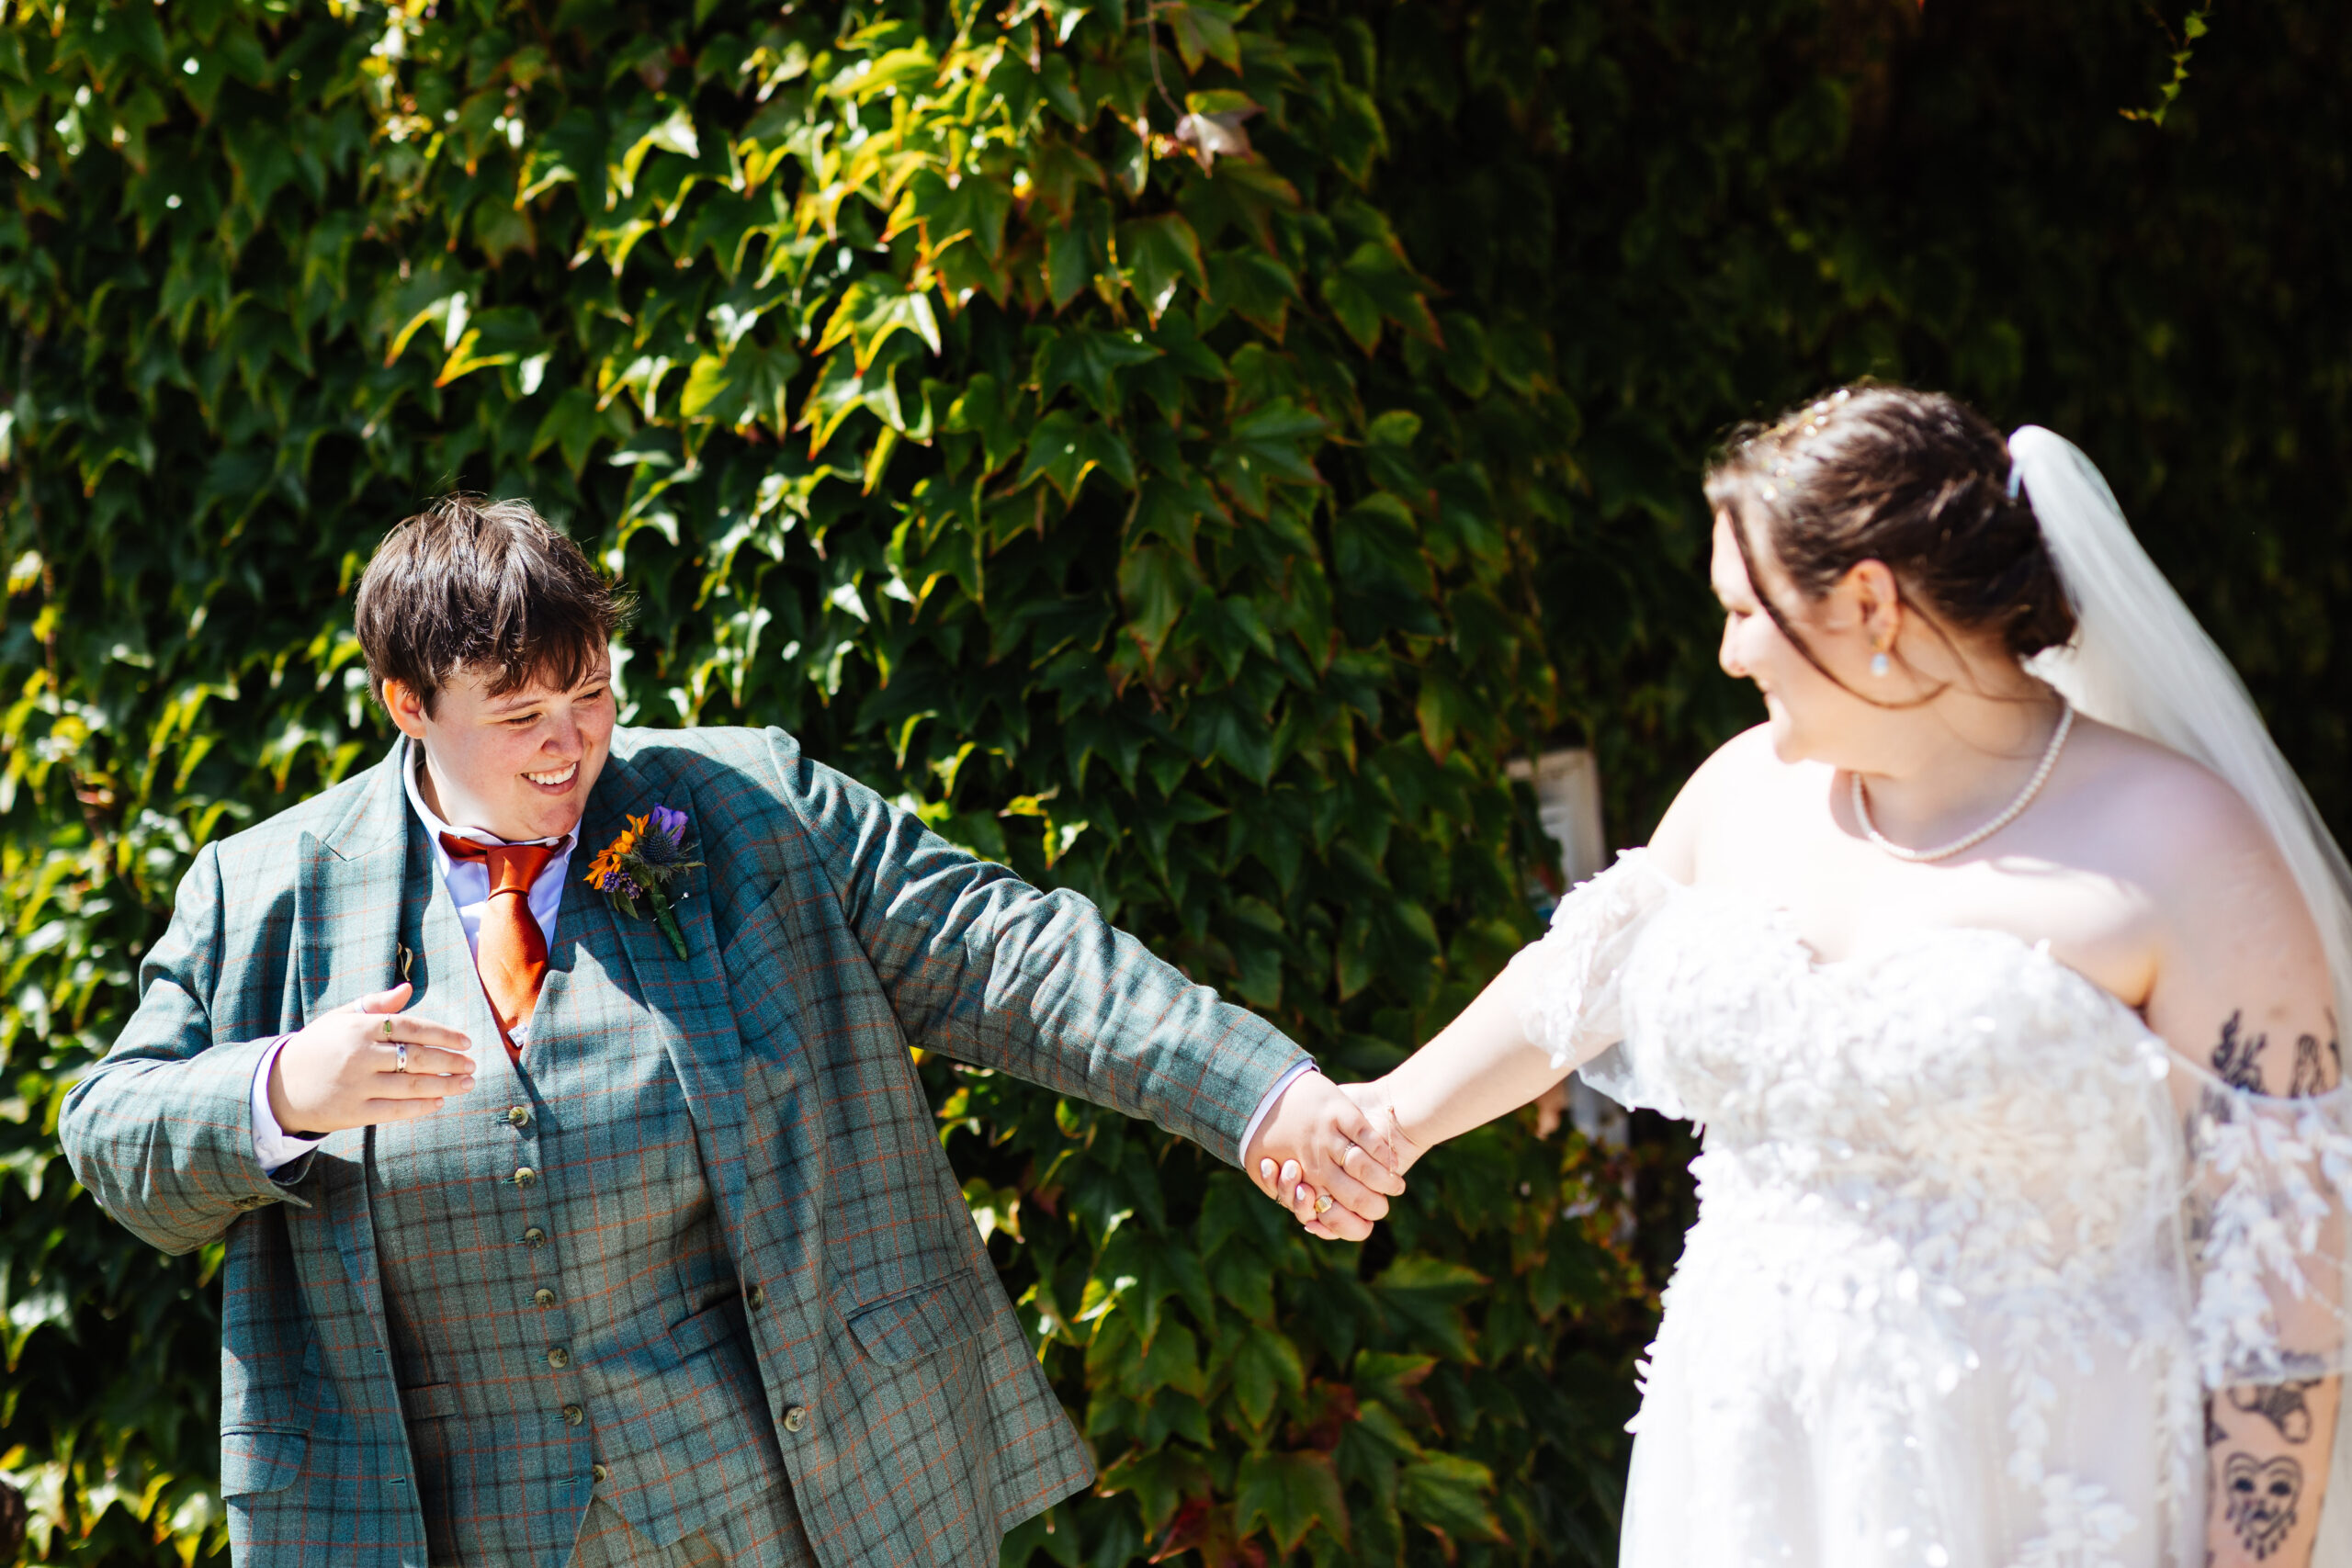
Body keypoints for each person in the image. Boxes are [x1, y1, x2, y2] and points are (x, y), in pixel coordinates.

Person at [58, 497, 1400, 1568]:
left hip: (784, 1504)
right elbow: (110, 1133)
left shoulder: (746, 804)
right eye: (519, 715)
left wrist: (1259, 1092)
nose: (567, 744)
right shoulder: (266, 887)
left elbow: (1012, 949)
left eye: (589, 693)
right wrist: (284, 1084)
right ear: (409, 704)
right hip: (461, 1528)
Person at [1282, 388, 2352, 1566]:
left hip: (2039, 1484)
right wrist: (1387, 1121)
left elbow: (2284, 1270)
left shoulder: (2181, 844)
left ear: (1868, 603)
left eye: (1748, 611)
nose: (1730, 651)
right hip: (1748, 1471)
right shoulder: (1740, 790)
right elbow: (1574, 984)